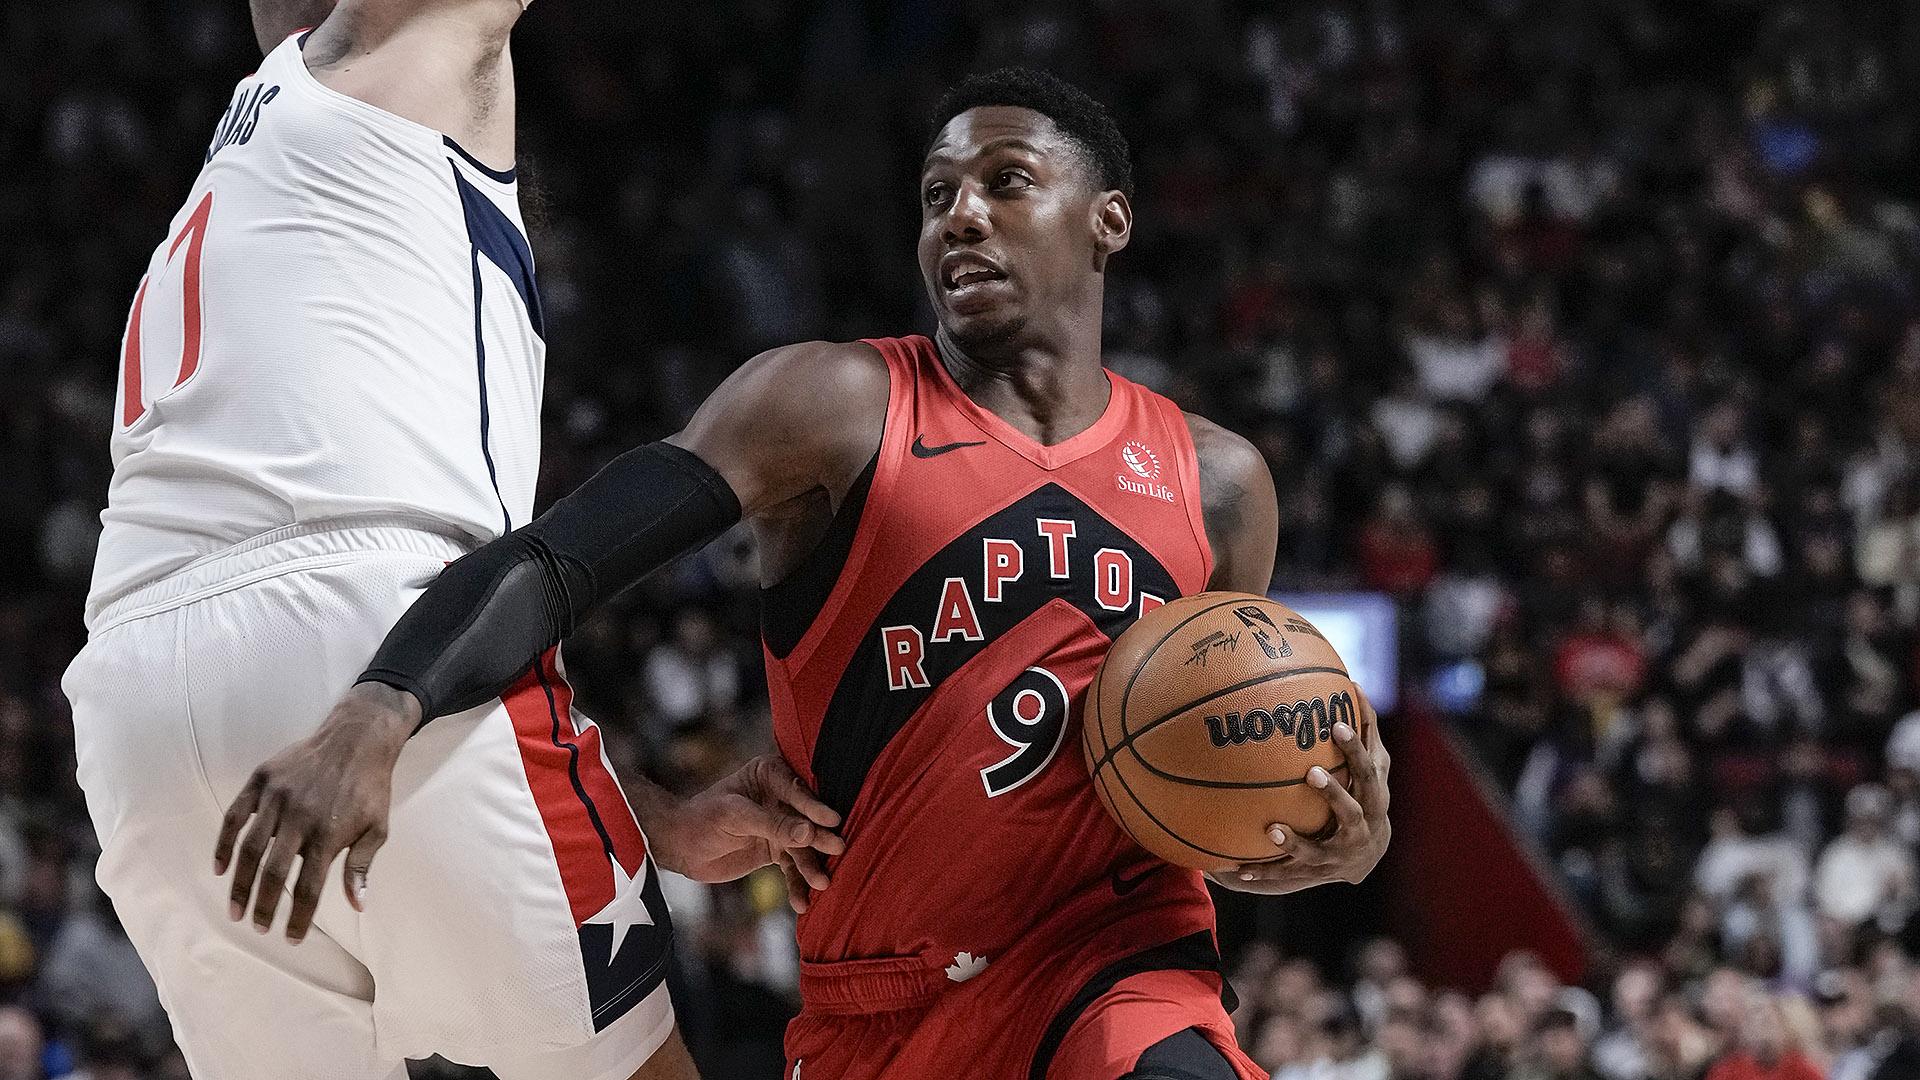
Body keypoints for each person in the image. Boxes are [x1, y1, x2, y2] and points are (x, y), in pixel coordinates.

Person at [233, 67, 1392, 1078]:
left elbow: (1207, 772)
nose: (962, 219)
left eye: (1004, 182)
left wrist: (1321, 843)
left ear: (1110, 221)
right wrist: (379, 713)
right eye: (937, 197)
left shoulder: (1218, 481)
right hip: (879, 1006)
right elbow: (551, 563)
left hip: (1114, 974)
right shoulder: (832, 408)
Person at [60, 3, 837, 1078]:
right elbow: (383, 605)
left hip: (134, 707)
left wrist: (645, 815)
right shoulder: (406, 55)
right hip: (364, 635)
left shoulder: (277, 131)